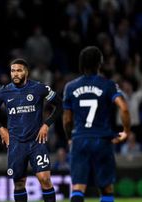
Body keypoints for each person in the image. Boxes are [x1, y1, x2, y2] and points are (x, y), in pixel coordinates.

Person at [0, 58, 62, 202]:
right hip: (16, 144)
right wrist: (1, 129)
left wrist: (46, 124)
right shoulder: (4, 92)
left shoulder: (39, 88)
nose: (15, 74)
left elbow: (59, 105)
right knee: (19, 183)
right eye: (13, 71)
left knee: (44, 179)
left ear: (26, 72)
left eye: (19, 70)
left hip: (36, 142)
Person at [63, 46, 131, 202]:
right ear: (99, 63)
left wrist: (69, 138)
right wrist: (126, 131)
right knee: (106, 189)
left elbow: (67, 119)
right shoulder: (108, 85)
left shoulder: (70, 87)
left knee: (78, 188)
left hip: (80, 139)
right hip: (102, 140)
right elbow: (124, 109)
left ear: (81, 64)